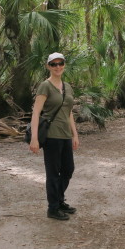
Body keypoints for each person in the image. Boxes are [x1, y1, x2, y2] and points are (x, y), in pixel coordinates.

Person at [29, 52, 79, 220]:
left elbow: (69, 112)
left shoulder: (67, 87)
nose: (58, 67)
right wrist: (34, 138)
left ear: (64, 64)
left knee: (68, 169)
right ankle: (53, 208)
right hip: (51, 136)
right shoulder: (45, 86)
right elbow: (36, 113)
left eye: (60, 63)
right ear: (48, 66)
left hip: (65, 135)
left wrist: (75, 134)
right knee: (53, 173)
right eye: (54, 64)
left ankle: (59, 200)